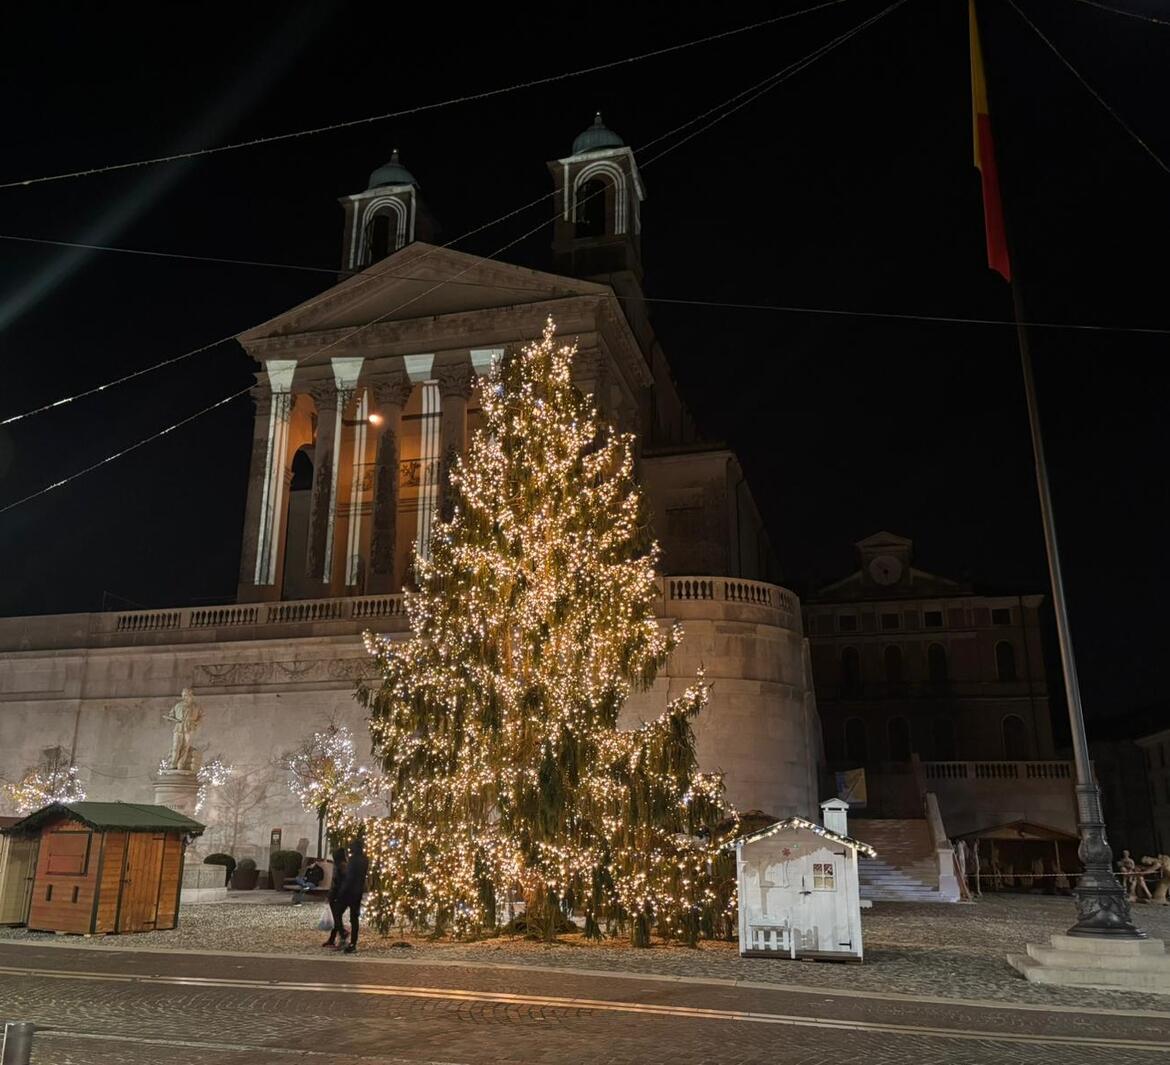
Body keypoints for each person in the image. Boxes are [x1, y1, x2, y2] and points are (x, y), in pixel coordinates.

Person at [338, 836, 369, 955]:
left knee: (338, 912)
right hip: (358, 891)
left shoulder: (353, 860)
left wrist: (342, 891)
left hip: (349, 892)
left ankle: (343, 934)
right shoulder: (365, 859)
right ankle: (353, 943)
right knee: (354, 918)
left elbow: (349, 878)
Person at [322, 848, 349, 949]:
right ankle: (333, 938)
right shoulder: (346, 866)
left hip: (338, 896)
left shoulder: (339, 867)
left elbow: (335, 885)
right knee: (336, 917)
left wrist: (330, 897)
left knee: (336, 917)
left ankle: (342, 933)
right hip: (344, 896)